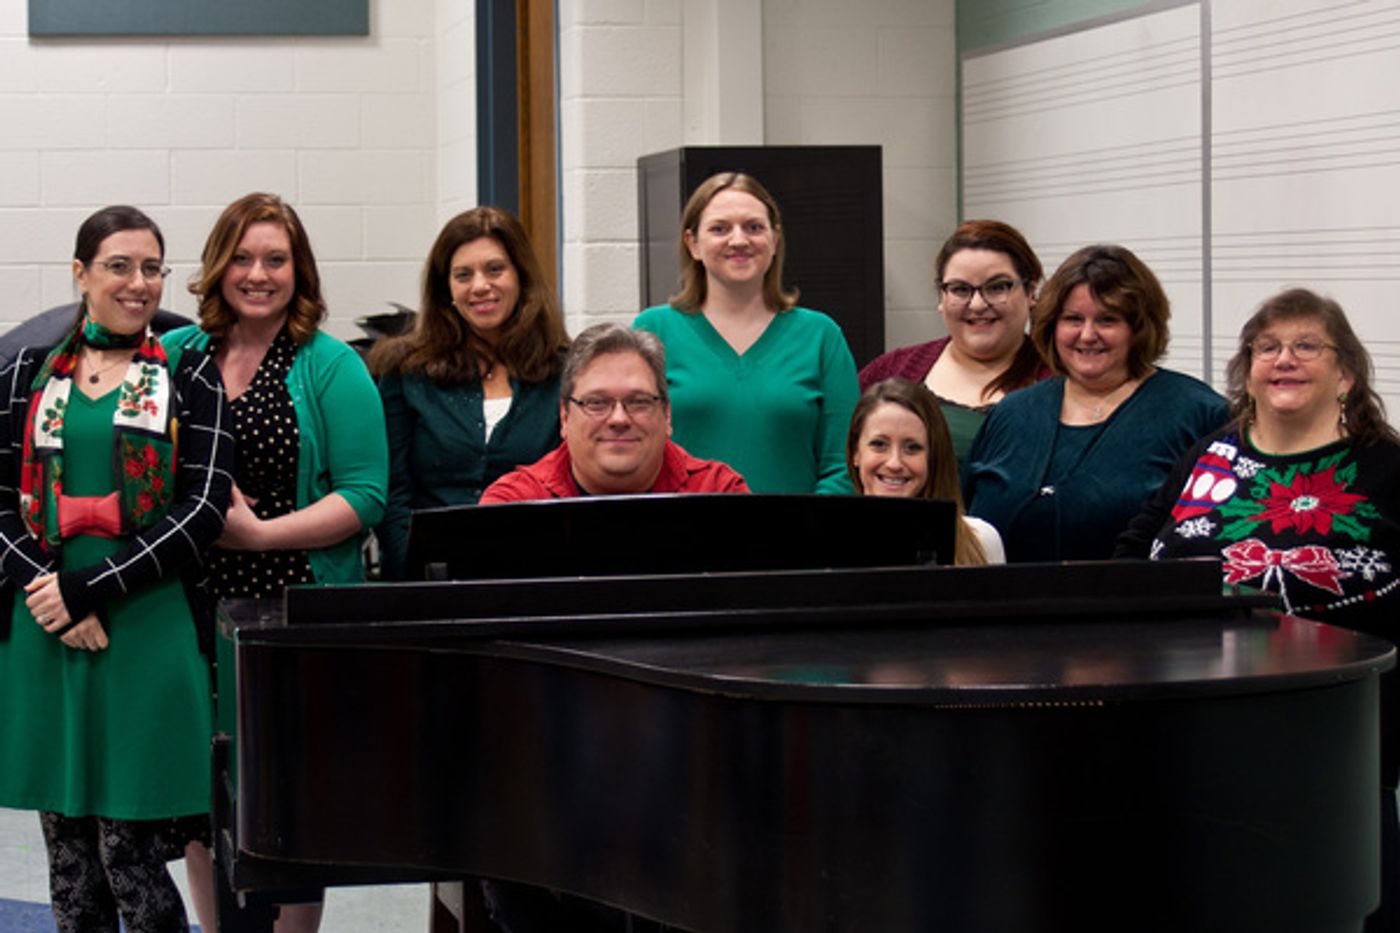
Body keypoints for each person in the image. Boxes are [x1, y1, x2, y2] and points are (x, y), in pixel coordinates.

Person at [1115, 288, 1400, 931]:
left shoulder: (1385, 465)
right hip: (1196, 732)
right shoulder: (1211, 455)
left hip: (1336, 739)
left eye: (1306, 345)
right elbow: (1135, 549)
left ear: (1346, 372)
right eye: (1266, 347)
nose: (1284, 360)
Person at [0, 205, 233, 932]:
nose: (139, 283)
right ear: (81, 273)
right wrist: (52, 594)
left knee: (130, 857)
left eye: (152, 267)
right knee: (70, 860)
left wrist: (87, 588)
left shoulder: (188, 370)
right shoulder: (27, 373)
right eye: (119, 265)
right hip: (46, 628)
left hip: (148, 624)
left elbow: (203, 509)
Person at [164, 192, 389, 933]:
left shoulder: (329, 365)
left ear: (301, 271)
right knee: (201, 794)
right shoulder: (174, 357)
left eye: (276, 259)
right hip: (187, 610)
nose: (257, 273)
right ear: (217, 264)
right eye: (243, 256)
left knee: (287, 796)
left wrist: (258, 534)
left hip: (287, 610)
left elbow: (365, 494)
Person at [964, 243, 1227, 562]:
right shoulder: (1011, 413)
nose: (1087, 335)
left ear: (1139, 328)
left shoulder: (1198, 414)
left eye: (1107, 320)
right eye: (1073, 319)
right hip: (1003, 608)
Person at [370, 207, 569, 579]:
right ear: (446, 288)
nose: (480, 286)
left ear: (522, 277)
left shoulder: (565, 371)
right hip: (429, 580)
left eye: (495, 269)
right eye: (463, 275)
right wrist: (415, 580)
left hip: (537, 576)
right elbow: (393, 496)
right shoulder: (405, 370)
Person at [634, 172, 857, 494]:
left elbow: (843, 464)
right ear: (693, 243)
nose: (738, 240)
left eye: (753, 227)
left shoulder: (821, 336)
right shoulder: (653, 331)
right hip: (681, 538)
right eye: (720, 228)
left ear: (775, 240)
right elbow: (632, 449)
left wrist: (805, 535)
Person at [481, 323, 747, 502]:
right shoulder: (513, 503)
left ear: (667, 415)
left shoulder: (720, 495)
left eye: (639, 402)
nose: (619, 419)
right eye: (596, 403)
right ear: (564, 416)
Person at [859, 219, 1051, 464]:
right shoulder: (890, 371)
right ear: (941, 296)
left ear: (1031, 292)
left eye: (997, 287)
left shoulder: (1060, 382)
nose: (978, 304)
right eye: (961, 289)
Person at [847, 378, 1004, 565]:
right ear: (856, 452)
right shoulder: (821, 540)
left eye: (912, 448)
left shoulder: (982, 540)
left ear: (933, 456)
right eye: (879, 444)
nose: (894, 463)